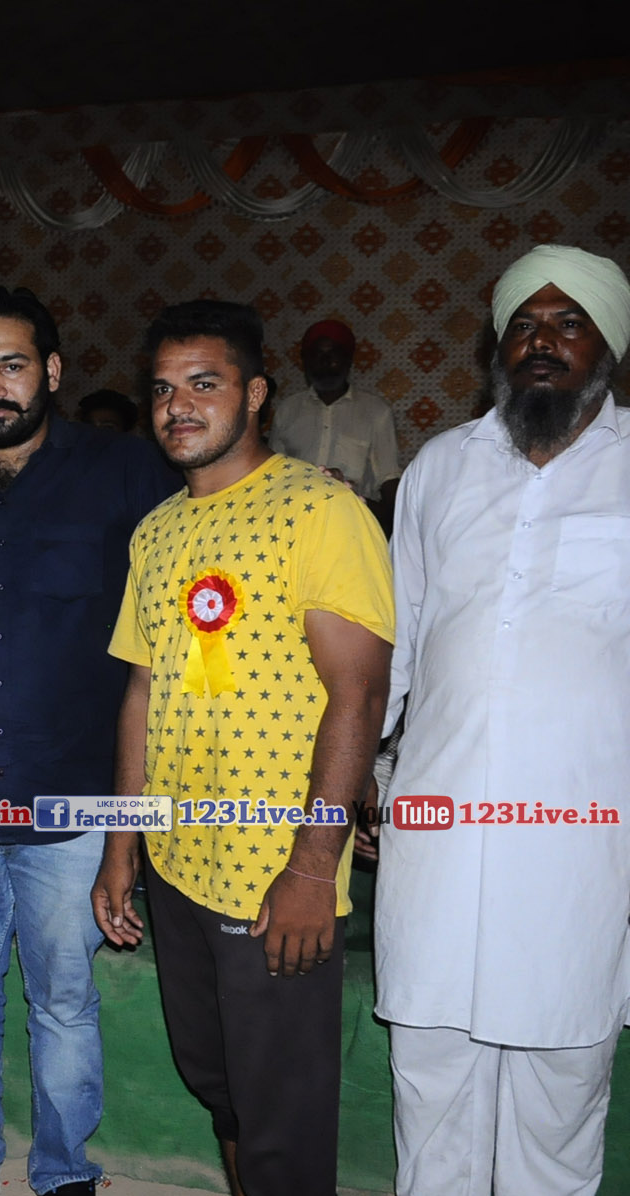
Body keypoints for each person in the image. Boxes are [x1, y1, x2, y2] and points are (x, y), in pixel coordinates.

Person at [92, 300, 394, 1196]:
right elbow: (142, 694)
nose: (178, 406)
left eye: (203, 384)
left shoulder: (320, 510)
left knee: (280, 1121)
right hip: (177, 864)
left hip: (273, 873)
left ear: (256, 394)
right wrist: (121, 847)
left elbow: (360, 693)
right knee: (221, 1087)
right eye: (162, 390)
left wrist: (312, 870)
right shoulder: (156, 531)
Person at [0, 286, 177, 1196]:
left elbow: (209, 538)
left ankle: (62, 1170)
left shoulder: (129, 471)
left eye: (12, 365)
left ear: (51, 371)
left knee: (62, 1002)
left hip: (73, 797)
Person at [376, 243, 630, 1196]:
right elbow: (397, 641)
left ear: (608, 345)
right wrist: (363, 774)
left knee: (558, 1096)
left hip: (583, 841)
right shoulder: (441, 467)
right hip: (437, 831)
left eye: (568, 324)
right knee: (430, 1078)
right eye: (524, 324)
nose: (542, 341)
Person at [266, 319, 401, 505]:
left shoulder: (376, 411)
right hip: (295, 511)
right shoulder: (287, 410)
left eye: (333, 354)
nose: (325, 361)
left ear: (348, 359)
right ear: (305, 361)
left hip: (352, 512)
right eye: (317, 354)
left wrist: (394, 518)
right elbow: (273, 473)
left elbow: (389, 477)